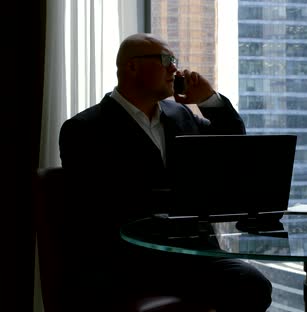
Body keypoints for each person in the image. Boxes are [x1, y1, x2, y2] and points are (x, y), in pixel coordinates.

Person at [58, 33, 272, 312]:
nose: (175, 68)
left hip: (195, 255)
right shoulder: (85, 129)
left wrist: (208, 100)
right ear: (131, 67)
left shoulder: (180, 115)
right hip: (128, 259)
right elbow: (94, 208)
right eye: (165, 60)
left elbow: (233, 147)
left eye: (175, 61)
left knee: (253, 285)